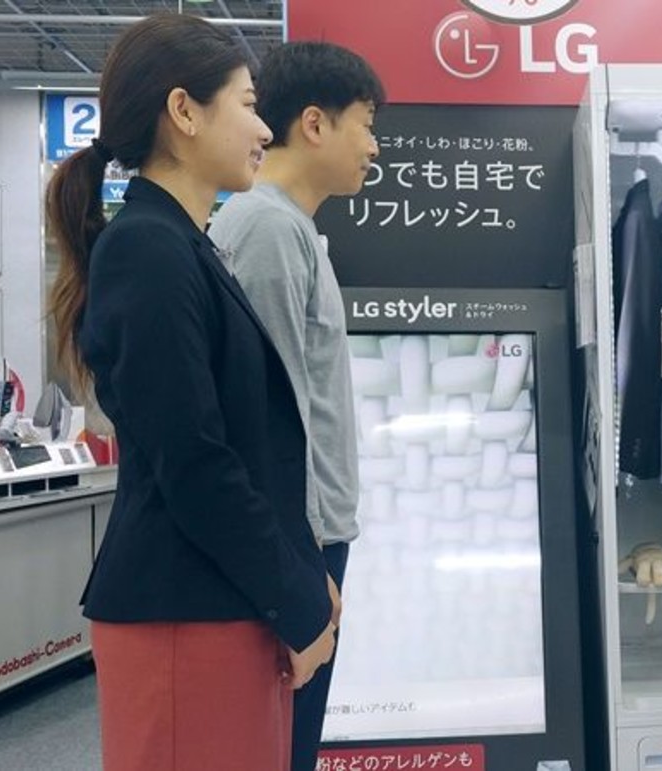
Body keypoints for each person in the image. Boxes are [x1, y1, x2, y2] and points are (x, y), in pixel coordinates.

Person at [45, 15, 337, 771]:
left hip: (219, 601)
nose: (264, 130)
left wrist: (299, 577)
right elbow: (193, 458)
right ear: (184, 111)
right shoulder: (148, 249)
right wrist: (297, 596)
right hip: (186, 610)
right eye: (248, 104)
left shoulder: (181, 243)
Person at [207, 41, 383, 771]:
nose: (374, 147)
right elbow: (260, 421)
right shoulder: (268, 230)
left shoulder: (285, 228)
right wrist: (299, 565)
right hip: (297, 544)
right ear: (315, 123)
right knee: (278, 747)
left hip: (307, 539)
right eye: (365, 124)